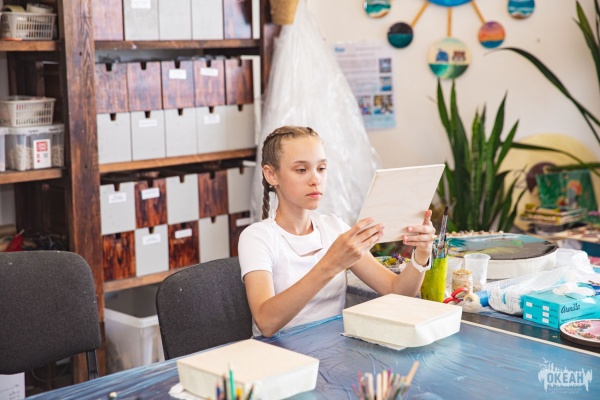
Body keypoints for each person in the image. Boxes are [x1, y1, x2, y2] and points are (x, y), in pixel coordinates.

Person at [238, 126, 436, 337]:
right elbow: (266, 322)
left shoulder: (334, 228)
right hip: (278, 352)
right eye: (301, 170)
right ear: (271, 175)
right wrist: (331, 264)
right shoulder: (257, 237)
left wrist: (422, 254)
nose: (315, 179)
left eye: (321, 168)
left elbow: (397, 291)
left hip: (334, 349)